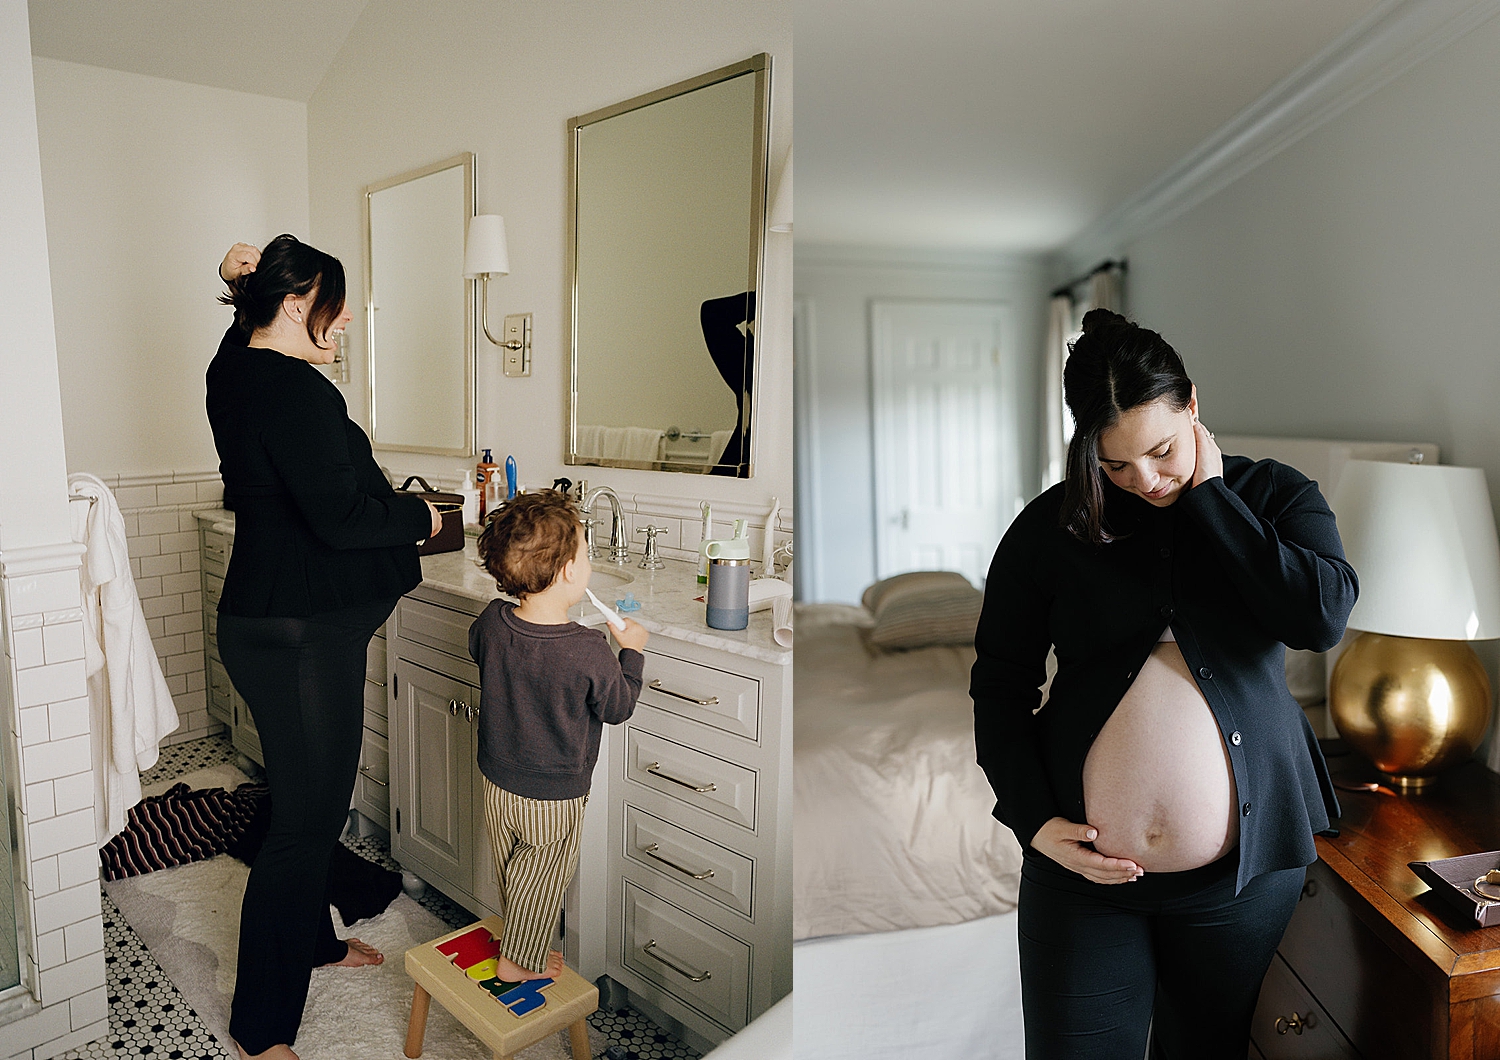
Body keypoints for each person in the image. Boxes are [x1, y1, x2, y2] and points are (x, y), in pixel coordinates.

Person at [970, 309, 1357, 1059]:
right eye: (1115, 464)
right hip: (1081, 880)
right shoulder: (1051, 527)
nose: (1144, 481)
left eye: (1161, 451)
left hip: (1238, 884)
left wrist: (1212, 501)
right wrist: (1032, 820)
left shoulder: (1274, 496)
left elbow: (1320, 616)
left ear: (1193, 408)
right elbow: (1000, 682)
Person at [209, 237, 442, 1060]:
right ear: (301, 301)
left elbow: (241, 337)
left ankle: (314, 942)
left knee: (301, 802)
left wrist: (242, 284)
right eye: (332, 314)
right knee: (308, 826)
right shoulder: (299, 391)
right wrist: (425, 519)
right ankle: (263, 1029)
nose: (338, 332)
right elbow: (341, 521)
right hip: (302, 639)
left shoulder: (233, 373)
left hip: (264, 623)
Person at [468, 490, 648, 981]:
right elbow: (619, 706)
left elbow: (479, 650)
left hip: (496, 779)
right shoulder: (589, 649)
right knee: (544, 877)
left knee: (517, 873)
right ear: (569, 571)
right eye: (588, 553)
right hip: (554, 794)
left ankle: (522, 945)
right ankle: (517, 964)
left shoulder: (491, 621)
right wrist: (629, 652)